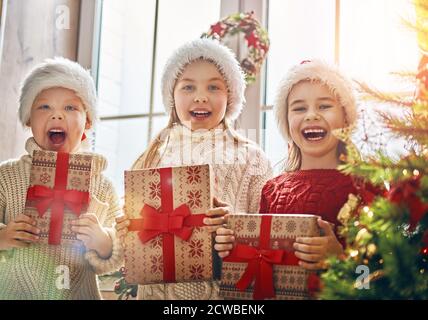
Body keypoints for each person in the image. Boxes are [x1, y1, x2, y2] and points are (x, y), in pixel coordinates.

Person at [116, 38, 272, 299]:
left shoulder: (251, 159)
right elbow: (132, 241)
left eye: (214, 87)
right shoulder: (152, 157)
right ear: (172, 96)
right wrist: (125, 229)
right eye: (188, 87)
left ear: (230, 96)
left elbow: (267, 237)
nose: (201, 96)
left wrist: (234, 227)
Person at [215, 59, 358, 272]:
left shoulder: (363, 187)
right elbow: (258, 267)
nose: (311, 115)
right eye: (299, 108)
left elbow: (378, 281)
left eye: (325, 106)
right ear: (287, 123)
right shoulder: (271, 190)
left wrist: (340, 258)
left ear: (346, 118)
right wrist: (232, 248)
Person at [0, 57, 123, 299]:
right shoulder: (6, 176)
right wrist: (3, 236)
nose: (56, 116)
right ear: (28, 119)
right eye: (44, 107)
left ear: (87, 121)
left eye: (70, 108)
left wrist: (103, 241)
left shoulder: (103, 185)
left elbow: (116, 255)